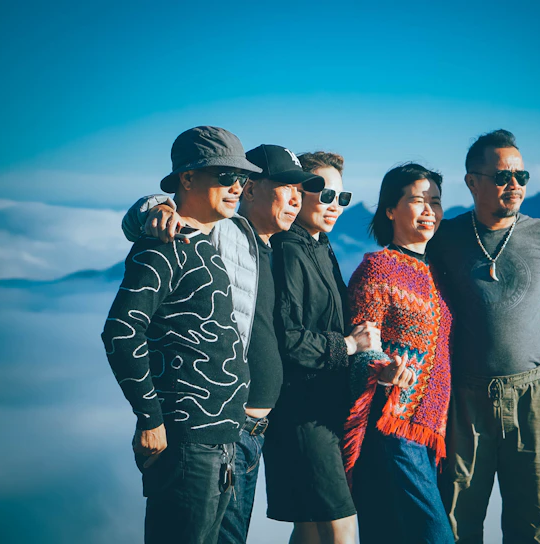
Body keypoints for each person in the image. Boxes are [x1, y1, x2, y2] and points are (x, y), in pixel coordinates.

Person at [120, 142, 325, 544]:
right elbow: (163, 217)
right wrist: (158, 207)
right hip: (219, 429)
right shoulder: (224, 231)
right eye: (286, 187)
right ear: (250, 188)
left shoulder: (280, 247)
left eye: (300, 190)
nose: (296, 199)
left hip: (251, 433)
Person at [102, 126, 258, 543]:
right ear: (187, 178)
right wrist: (149, 419)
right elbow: (121, 330)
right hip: (187, 444)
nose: (238, 187)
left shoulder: (205, 243)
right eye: (227, 176)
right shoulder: (161, 245)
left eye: (243, 178)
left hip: (220, 442)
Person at [430, 129, 540, 543]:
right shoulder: (446, 238)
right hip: (464, 400)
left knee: (531, 523)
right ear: (472, 182)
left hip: (532, 397)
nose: (515, 184)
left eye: (521, 176)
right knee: (457, 523)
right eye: (502, 177)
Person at [264, 151, 380, 544]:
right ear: (297, 192)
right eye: (325, 194)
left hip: (321, 408)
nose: (335, 206)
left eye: (342, 198)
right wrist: (350, 344)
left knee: (311, 528)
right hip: (302, 412)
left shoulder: (320, 244)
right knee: (340, 527)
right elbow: (287, 339)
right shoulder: (288, 250)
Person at [344, 163, 455, 544]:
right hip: (392, 425)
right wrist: (383, 369)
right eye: (418, 200)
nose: (430, 210)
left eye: (436, 202)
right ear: (390, 209)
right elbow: (360, 342)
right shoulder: (378, 269)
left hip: (432, 430)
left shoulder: (439, 272)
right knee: (435, 535)